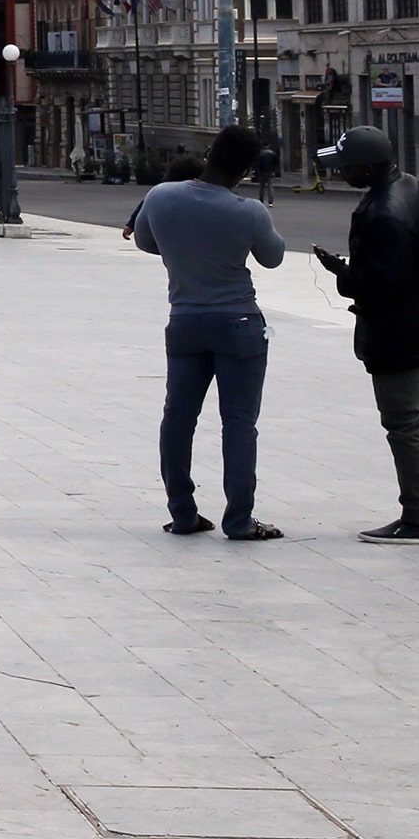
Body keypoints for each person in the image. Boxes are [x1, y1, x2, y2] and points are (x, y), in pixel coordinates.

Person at [131, 123, 287, 541]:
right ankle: (238, 520)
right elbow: (273, 258)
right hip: (238, 324)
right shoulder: (248, 211)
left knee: (178, 418)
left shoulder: (162, 196)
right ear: (247, 170)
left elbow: (145, 242)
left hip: (185, 321)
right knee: (238, 423)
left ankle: (183, 513)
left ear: (210, 153)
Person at [311, 126, 419, 544]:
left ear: (368, 166)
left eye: (346, 166)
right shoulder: (414, 189)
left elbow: (382, 284)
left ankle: (415, 519)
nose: (341, 173)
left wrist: (344, 276)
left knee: (404, 422)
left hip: (397, 334)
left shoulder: (382, 213)